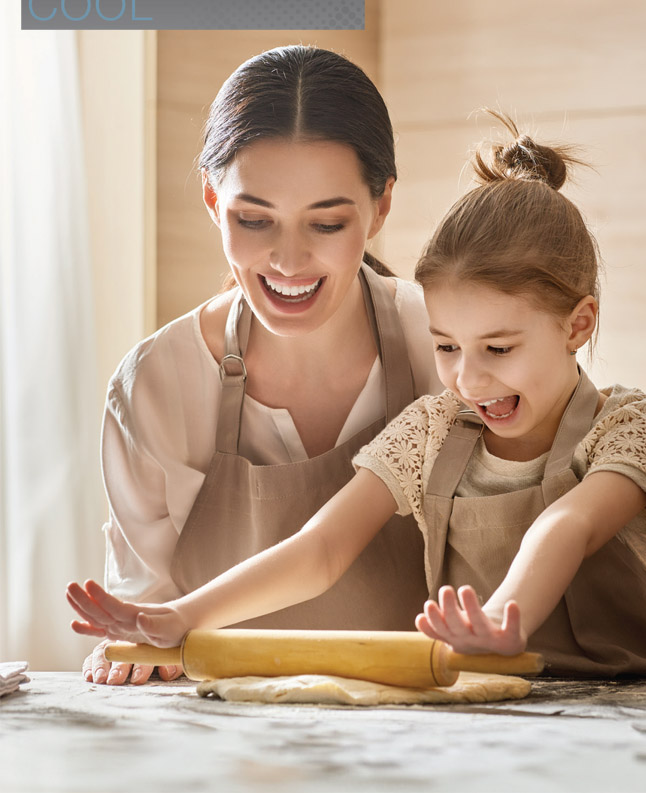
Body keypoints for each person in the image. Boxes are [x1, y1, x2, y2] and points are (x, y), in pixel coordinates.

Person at [70, 115, 646, 676]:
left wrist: (500, 622)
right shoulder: (434, 428)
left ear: (577, 324)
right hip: (479, 704)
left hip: (626, 709)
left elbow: (567, 525)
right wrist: (182, 613)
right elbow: (321, 545)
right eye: (445, 346)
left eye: (498, 349)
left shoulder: (628, 425)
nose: (468, 379)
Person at [83, 45, 442, 686]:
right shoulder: (158, 386)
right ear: (212, 200)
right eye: (255, 219)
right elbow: (147, 621)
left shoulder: (443, 346)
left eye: (327, 224)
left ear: (381, 207)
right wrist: (130, 653)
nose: (288, 260)